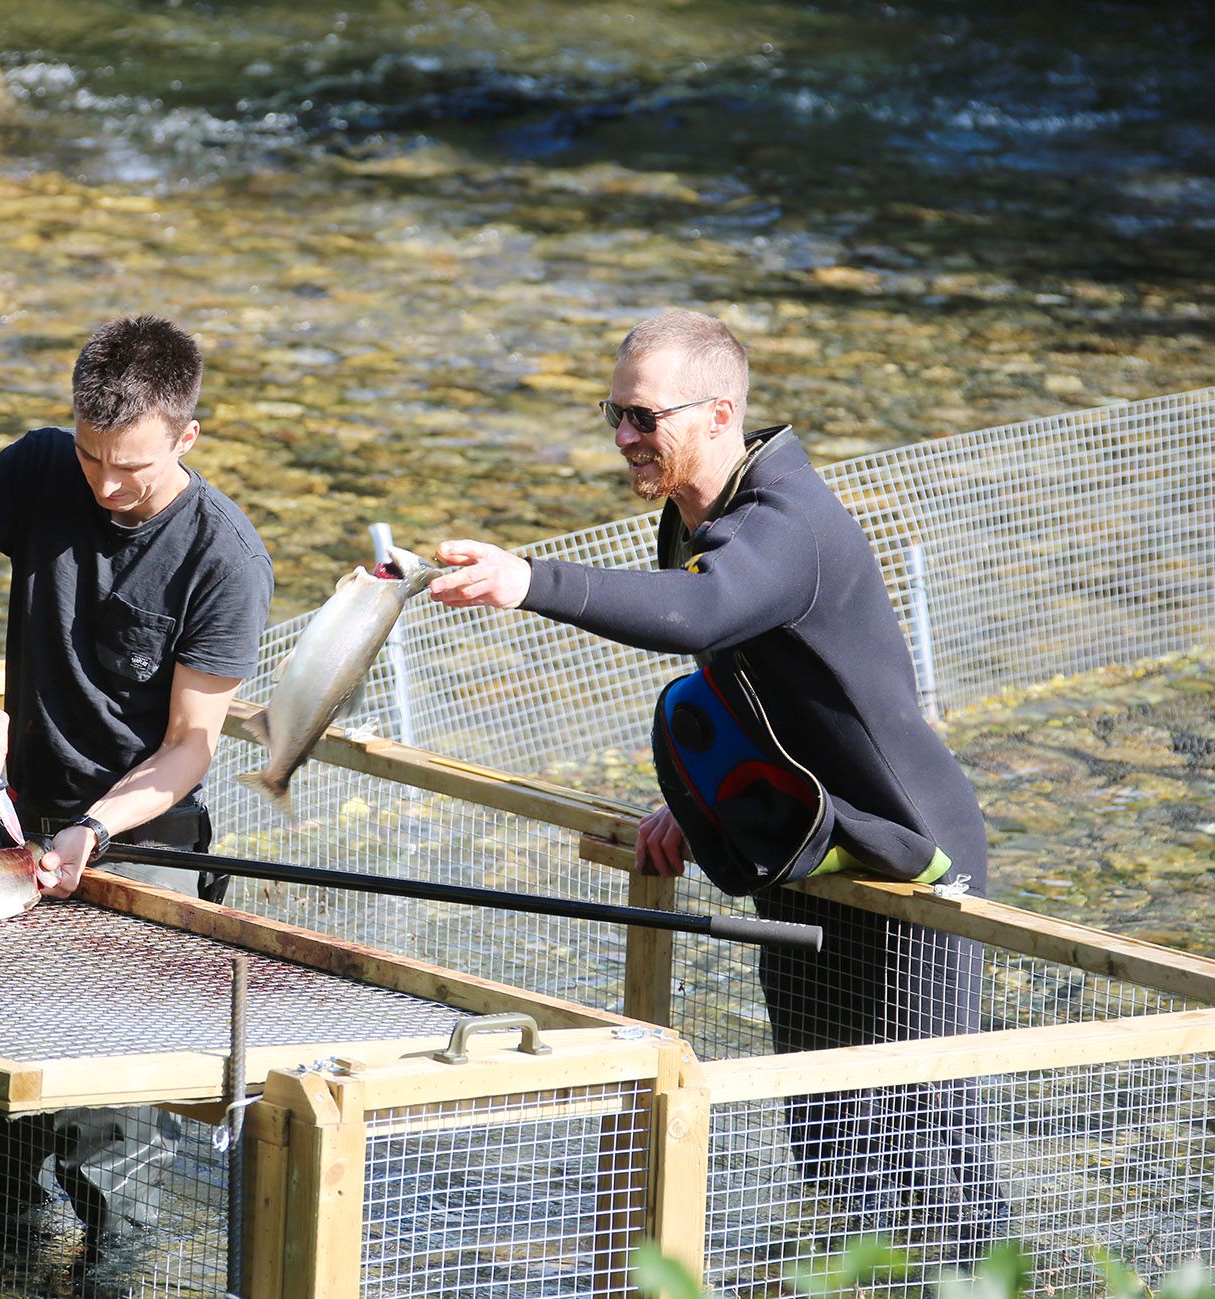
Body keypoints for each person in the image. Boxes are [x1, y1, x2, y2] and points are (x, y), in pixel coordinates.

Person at [428, 308, 1006, 1258]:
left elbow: (706, 613)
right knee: (829, 1142)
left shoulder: (786, 523)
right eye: (611, 411)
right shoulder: (699, 512)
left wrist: (529, 580)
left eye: (642, 417)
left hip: (914, 863)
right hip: (814, 842)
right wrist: (695, 807)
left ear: (718, 413)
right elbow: (749, 674)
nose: (621, 436)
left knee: (925, 1150)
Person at [0, 315, 273, 1282]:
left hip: (140, 841)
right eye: (90, 456)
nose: (104, 484)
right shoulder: (40, 467)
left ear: (185, 437)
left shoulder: (226, 557)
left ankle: (112, 1268)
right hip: (11, 829)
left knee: (108, 1136)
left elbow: (186, 749)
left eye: (127, 465)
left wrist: (93, 826)